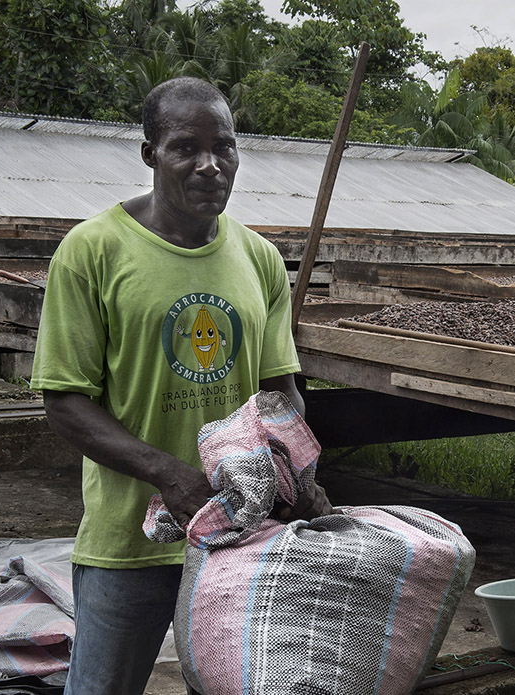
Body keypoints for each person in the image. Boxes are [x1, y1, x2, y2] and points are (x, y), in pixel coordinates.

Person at [31, 77, 332, 694]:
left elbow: (279, 392)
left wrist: (294, 476)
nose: (209, 165)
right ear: (150, 155)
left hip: (241, 538)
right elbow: (64, 402)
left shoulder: (259, 258)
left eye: (223, 147)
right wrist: (169, 474)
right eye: (185, 148)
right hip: (130, 542)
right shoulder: (93, 251)